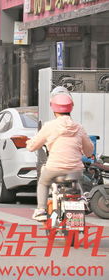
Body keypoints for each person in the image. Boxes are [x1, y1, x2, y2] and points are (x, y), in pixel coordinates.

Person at [26, 86, 93, 222]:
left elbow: (33, 146)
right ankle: (82, 199)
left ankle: (41, 210)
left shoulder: (49, 126)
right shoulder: (79, 127)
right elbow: (89, 151)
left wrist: (28, 143)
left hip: (54, 168)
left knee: (43, 182)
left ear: (53, 107)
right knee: (78, 179)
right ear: (71, 107)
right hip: (75, 169)